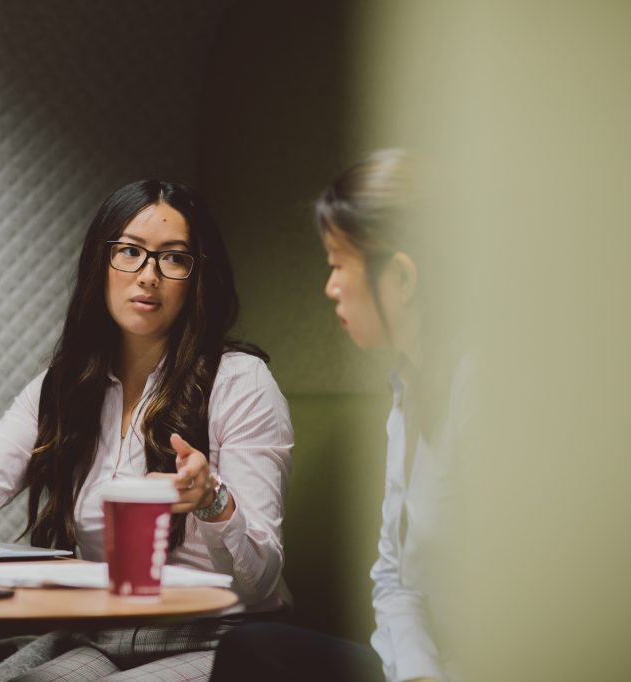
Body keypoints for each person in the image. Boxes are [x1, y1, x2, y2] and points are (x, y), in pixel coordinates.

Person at [0, 179, 294, 682]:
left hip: (221, 636)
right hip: (107, 632)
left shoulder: (239, 382)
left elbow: (259, 583)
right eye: (129, 251)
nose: (148, 275)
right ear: (99, 263)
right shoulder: (65, 386)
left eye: (173, 258)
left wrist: (212, 500)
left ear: (197, 278)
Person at [211, 149, 465, 682]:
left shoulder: (487, 394)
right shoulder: (408, 391)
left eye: (337, 264)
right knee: (252, 648)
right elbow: (393, 579)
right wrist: (418, 674)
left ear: (401, 277)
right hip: (416, 668)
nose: (329, 286)